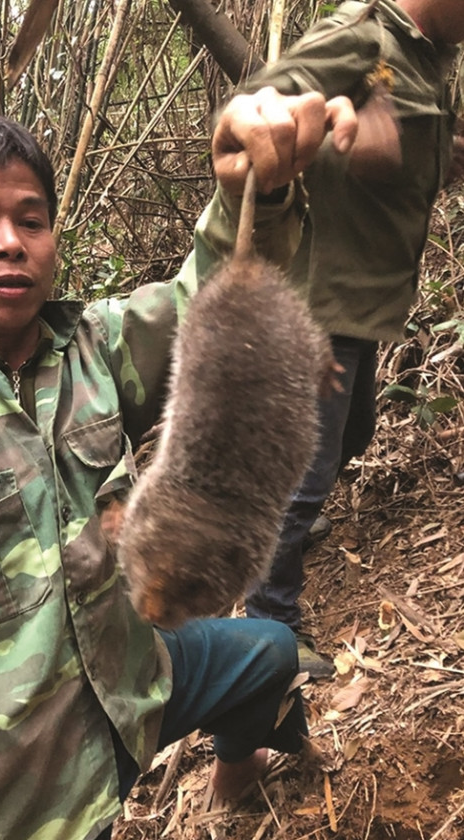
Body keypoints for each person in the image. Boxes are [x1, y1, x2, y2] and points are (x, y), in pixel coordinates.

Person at [0, 94, 357, 839]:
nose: (10, 242)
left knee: (271, 652)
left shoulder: (97, 350)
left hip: (130, 687)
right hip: (7, 796)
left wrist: (256, 186)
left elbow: (214, 291)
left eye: (32, 220)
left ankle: (238, 771)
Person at [231, 0, 464, 679]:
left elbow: (412, 144)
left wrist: (435, 154)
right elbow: (255, 114)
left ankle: (288, 526)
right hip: (318, 300)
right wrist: (325, 131)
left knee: (353, 434)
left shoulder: (429, 56)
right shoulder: (360, 37)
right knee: (304, 475)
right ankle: (270, 627)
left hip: (367, 301)